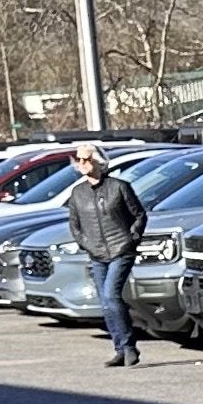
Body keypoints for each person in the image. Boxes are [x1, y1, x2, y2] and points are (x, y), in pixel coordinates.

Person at [64, 146, 147, 367]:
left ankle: (129, 346)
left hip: (120, 250)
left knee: (111, 296)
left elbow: (138, 215)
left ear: (99, 162)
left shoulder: (119, 187)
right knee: (105, 302)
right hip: (96, 253)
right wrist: (86, 244)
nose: (81, 163)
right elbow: (75, 225)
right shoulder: (78, 193)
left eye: (86, 159)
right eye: (78, 160)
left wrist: (132, 238)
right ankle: (120, 348)